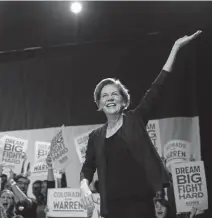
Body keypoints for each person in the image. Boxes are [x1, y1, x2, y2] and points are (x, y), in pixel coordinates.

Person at [79, 30, 202, 218]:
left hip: (141, 205)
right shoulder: (95, 136)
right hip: (111, 208)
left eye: (114, 94)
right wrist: (84, 186)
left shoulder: (135, 120)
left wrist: (175, 49)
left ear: (123, 101)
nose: (110, 98)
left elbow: (157, 88)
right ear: (100, 104)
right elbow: (88, 167)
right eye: (105, 96)